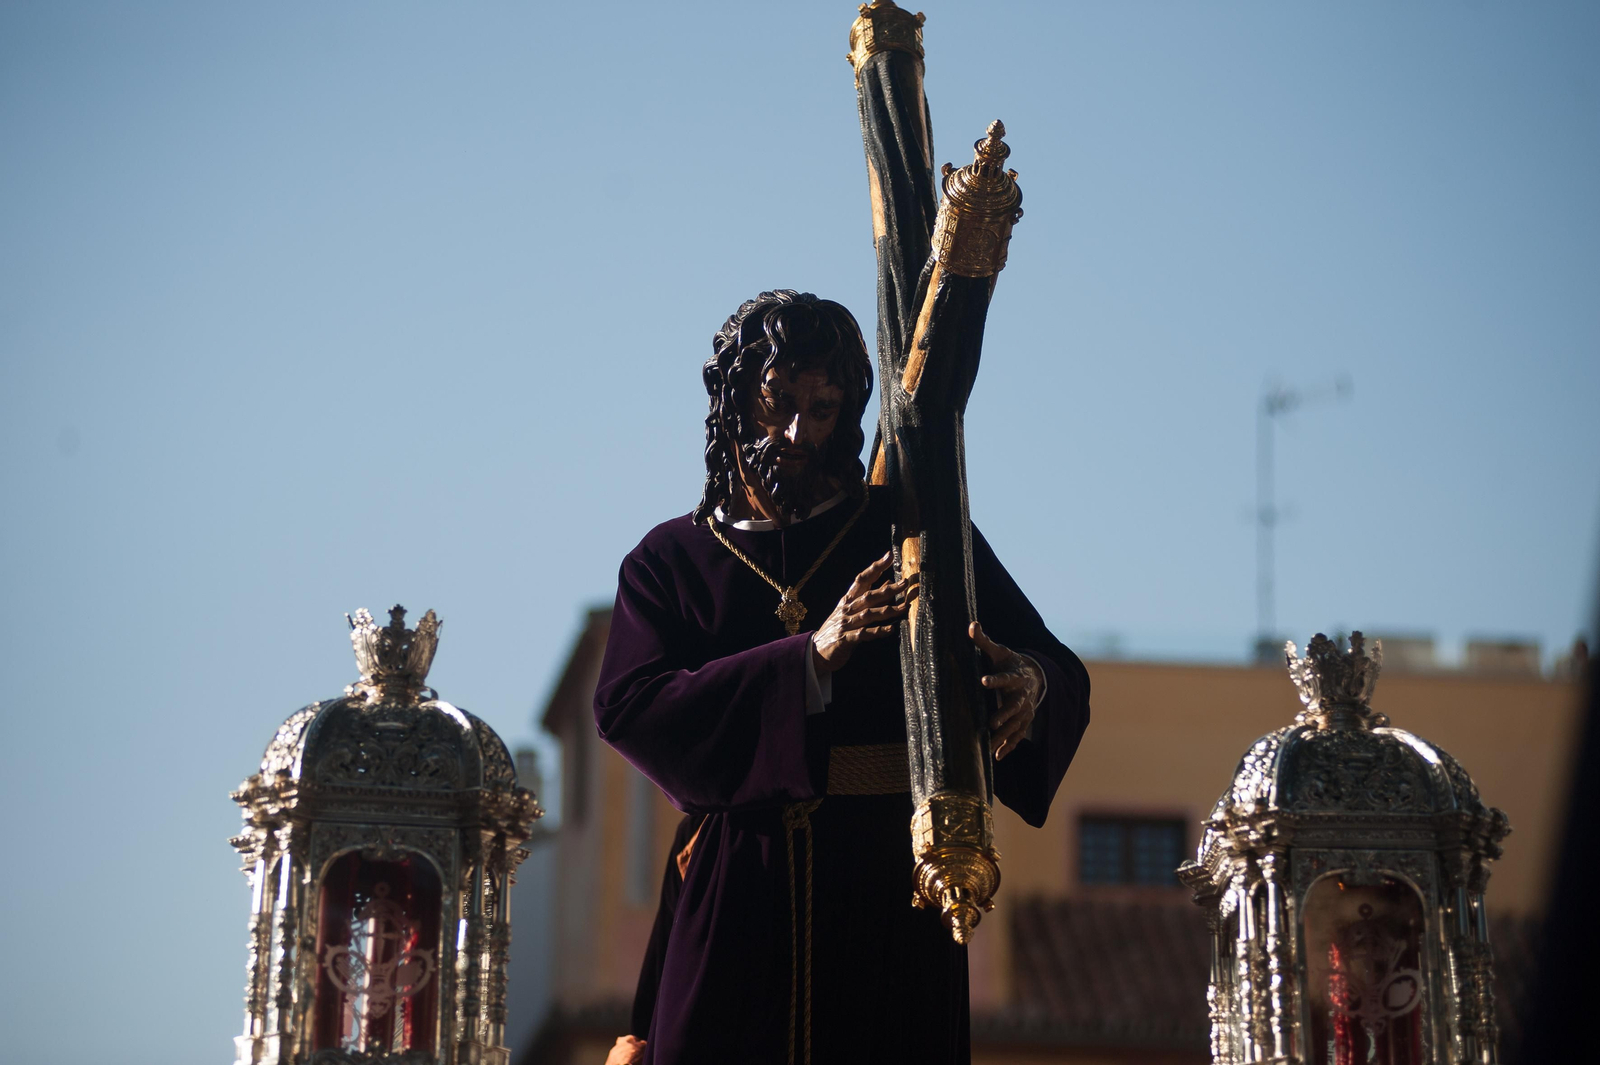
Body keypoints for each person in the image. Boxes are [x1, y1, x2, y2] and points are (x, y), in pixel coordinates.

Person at [594, 290, 1090, 1065]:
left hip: (889, 899)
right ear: (735, 397)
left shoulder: (910, 531)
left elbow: (1052, 667)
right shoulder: (672, 561)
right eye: (779, 402)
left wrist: (1031, 684)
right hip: (736, 899)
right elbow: (631, 706)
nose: (799, 431)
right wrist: (808, 658)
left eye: (822, 408)